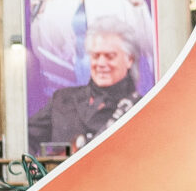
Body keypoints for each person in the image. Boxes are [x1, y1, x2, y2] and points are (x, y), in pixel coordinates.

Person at [39, 17, 141, 150]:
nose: (101, 63)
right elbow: (23, 138)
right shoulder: (62, 99)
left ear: (130, 59)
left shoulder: (140, 108)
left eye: (110, 56)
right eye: (95, 56)